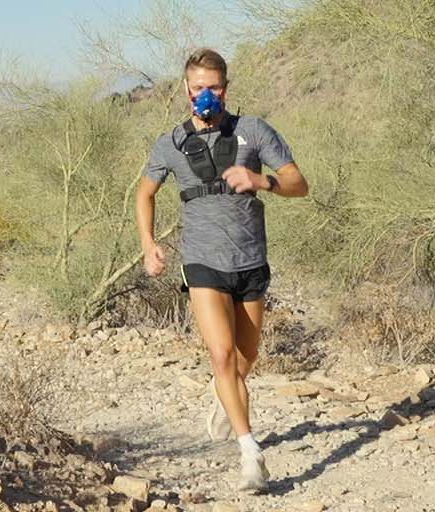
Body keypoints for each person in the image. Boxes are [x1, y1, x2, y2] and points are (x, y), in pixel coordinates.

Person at [133, 48, 308, 493]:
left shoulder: (253, 130)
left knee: (246, 358)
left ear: (225, 89)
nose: (204, 96)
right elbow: (144, 194)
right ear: (185, 91)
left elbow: (298, 184)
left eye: (212, 88)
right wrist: (150, 245)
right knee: (222, 355)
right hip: (202, 260)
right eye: (197, 89)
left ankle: (224, 395)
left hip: (249, 260)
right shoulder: (169, 143)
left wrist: (261, 181)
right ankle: (251, 454)